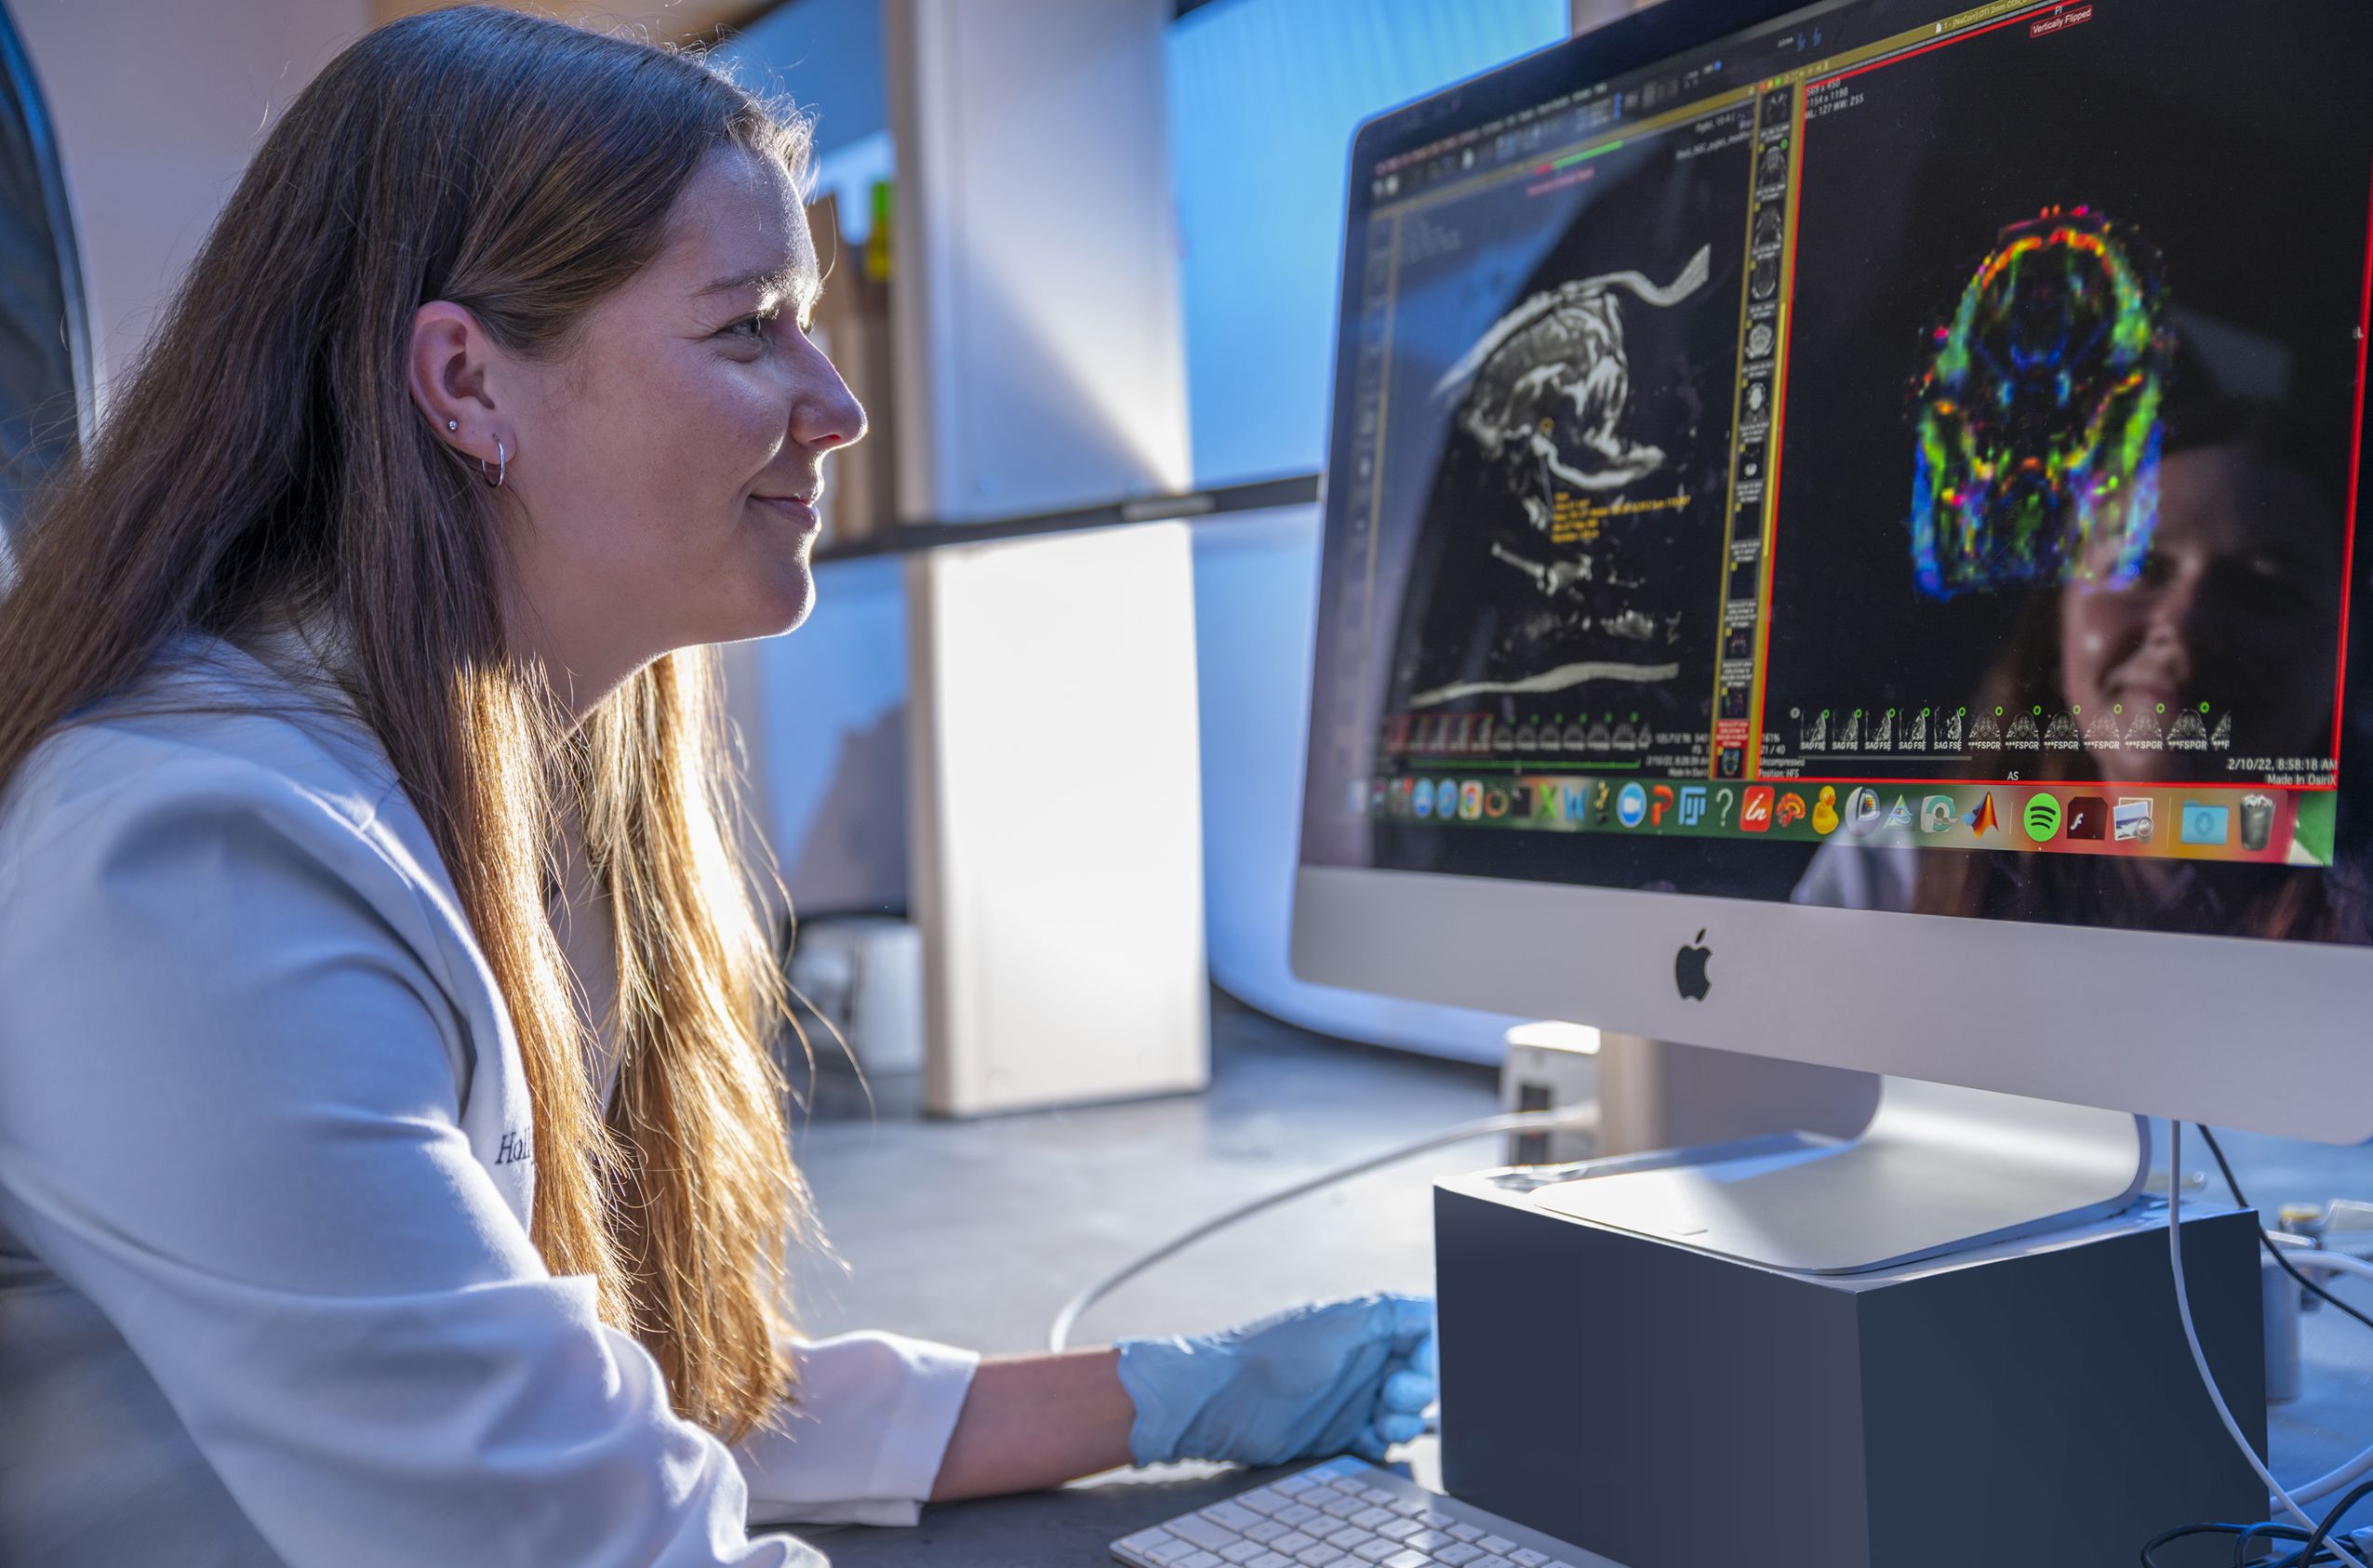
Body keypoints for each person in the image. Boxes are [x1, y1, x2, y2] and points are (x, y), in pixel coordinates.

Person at [0, 11, 1433, 1565]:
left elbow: (603, 1404)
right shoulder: (194, 866)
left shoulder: (495, 774)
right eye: (751, 326)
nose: (838, 403)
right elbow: (570, 1529)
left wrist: (1155, 1400)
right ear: (467, 383)